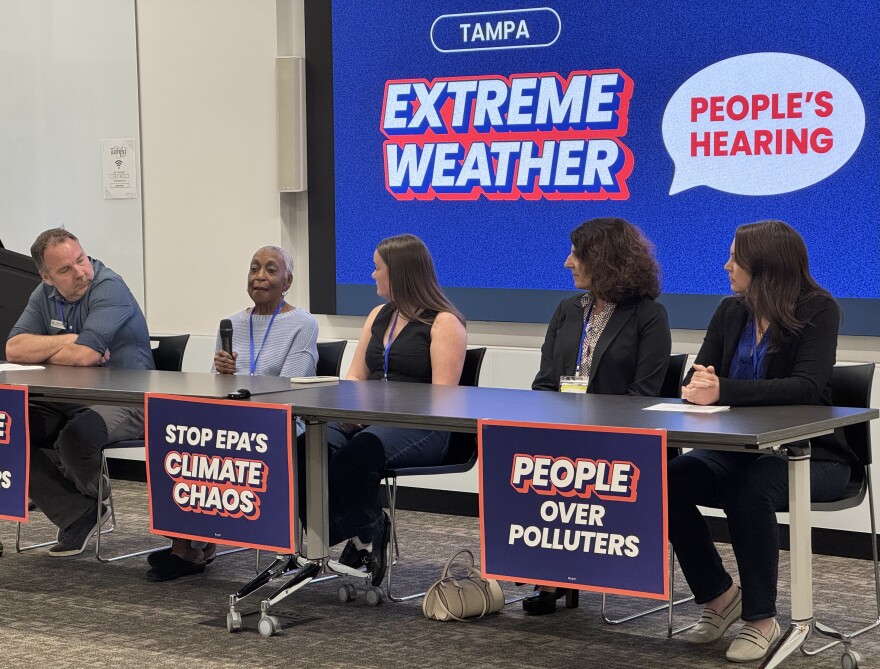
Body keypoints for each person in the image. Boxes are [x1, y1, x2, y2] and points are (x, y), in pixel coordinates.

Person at [669, 220, 852, 663]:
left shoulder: (818, 308)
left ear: (765, 265)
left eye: (736, 257)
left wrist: (723, 391)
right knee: (663, 479)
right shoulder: (730, 310)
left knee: (750, 489)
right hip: (736, 451)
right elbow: (703, 375)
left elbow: (806, 386)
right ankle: (718, 596)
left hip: (810, 455)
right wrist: (698, 389)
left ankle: (761, 620)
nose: (727, 265)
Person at [525, 216, 672, 614]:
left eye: (576, 254)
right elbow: (544, 382)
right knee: (520, 456)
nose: (567, 263)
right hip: (564, 433)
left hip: (621, 440)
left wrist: (589, 427)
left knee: (560, 464)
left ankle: (555, 576)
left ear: (604, 259)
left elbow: (643, 395)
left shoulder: (647, 315)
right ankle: (542, 570)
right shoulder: (567, 309)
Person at [146, 245, 318, 581]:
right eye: (254, 268)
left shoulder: (302, 324)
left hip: (277, 423)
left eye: (270, 269)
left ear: (288, 281)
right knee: (179, 441)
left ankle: (195, 545)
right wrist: (223, 375)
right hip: (233, 421)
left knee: (214, 447)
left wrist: (242, 380)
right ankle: (189, 543)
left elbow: (294, 385)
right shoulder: (232, 323)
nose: (260, 276)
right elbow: (215, 388)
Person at [326, 234, 467, 586]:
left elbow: (443, 398)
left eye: (377, 269)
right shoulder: (378, 316)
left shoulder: (444, 322)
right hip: (370, 421)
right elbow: (356, 376)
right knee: (308, 445)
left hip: (424, 427)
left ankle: (368, 532)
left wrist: (379, 414)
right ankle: (353, 527)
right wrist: (352, 410)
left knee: (354, 457)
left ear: (399, 273)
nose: (372, 275)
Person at [6, 228, 154, 556]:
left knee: (77, 436)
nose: (80, 273)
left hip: (127, 399)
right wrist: (71, 341)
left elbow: (86, 356)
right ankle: (78, 512)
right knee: (11, 430)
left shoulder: (108, 286)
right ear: (46, 277)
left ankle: (86, 503)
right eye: (65, 270)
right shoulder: (43, 295)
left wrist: (59, 348)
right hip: (72, 396)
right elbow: (14, 348)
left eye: (81, 260)